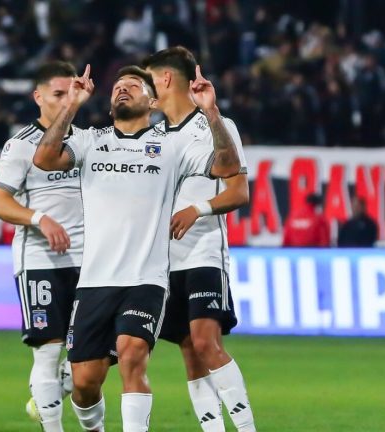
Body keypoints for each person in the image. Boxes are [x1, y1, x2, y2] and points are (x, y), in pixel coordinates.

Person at [33, 64, 242, 431]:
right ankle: (93, 426)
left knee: (132, 356)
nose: (123, 89)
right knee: (84, 382)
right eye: (117, 87)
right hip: (95, 280)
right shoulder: (89, 140)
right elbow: (45, 159)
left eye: (133, 85)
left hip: (146, 280)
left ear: (153, 101)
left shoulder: (171, 146)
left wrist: (211, 110)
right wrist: (73, 105)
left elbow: (227, 167)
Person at [141, 47, 256, 432]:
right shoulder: (151, 136)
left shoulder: (218, 126)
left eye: (149, 80)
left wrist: (197, 210)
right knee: (190, 353)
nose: (146, 88)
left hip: (204, 254)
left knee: (207, 344)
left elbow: (239, 192)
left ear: (167, 80)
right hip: (163, 263)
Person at [0, 61, 82, 431]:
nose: (65, 101)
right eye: (58, 94)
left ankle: (52, 389)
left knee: (98, 356)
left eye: (71, 94)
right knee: (48, 351)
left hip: (92, 261)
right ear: (38, 97)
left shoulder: (87, 140)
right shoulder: (22, 145)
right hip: (41, 260)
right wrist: (39, 218)